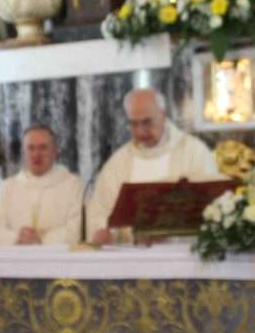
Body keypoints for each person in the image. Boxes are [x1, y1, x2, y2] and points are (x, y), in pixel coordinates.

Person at [87, 89, 219, 244]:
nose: (141, 131)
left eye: (147, 122)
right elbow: (99, 211)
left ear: (164, 115)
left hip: (180, 257)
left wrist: (169, 233)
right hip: (132, 258)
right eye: (133, 124)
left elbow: (210, 209)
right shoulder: (118, 162)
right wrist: (106, 232)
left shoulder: (194, 152)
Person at [0, 126, 83, 245]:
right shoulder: (8, 187)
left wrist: (42, 241)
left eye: (43, 148)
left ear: (55, 151)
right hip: (15, 259)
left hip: (57, 260)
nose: (36, 154)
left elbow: (75, 230)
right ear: (23, 152)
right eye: (30, 148)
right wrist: (17, 238)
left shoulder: (72, 185)